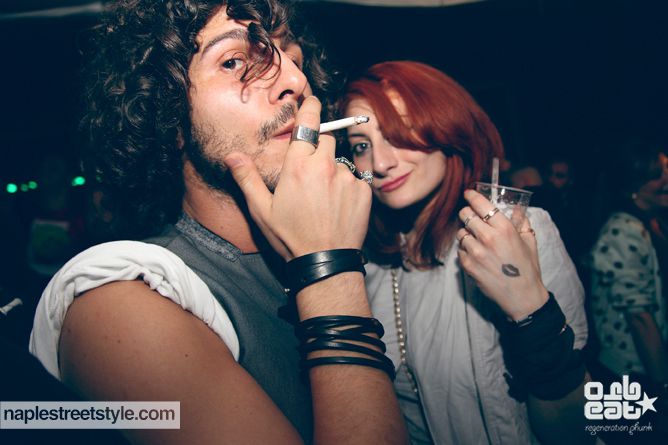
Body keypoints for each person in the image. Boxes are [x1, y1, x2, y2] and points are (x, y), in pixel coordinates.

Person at [29, 1, 407, 444]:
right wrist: (330, 267)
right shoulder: (119, 304)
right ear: (168, 116)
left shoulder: (335, 251)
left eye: (293, 58)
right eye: (234, 62)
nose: (294, 81)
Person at [340, 61, 589, 444]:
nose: (381, 163)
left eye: (400, 133)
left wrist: (529, 307)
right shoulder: (367, 265)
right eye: (361, 146)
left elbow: (574, 432)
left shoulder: (518, 233)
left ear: (446, 128)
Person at [588, 140, 668, 435]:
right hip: (631, 374)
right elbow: (639, 318)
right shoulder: (623, 230)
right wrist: (662, 386)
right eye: (657, 174)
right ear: (634, 185)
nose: (667, 179)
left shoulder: (649, 224)